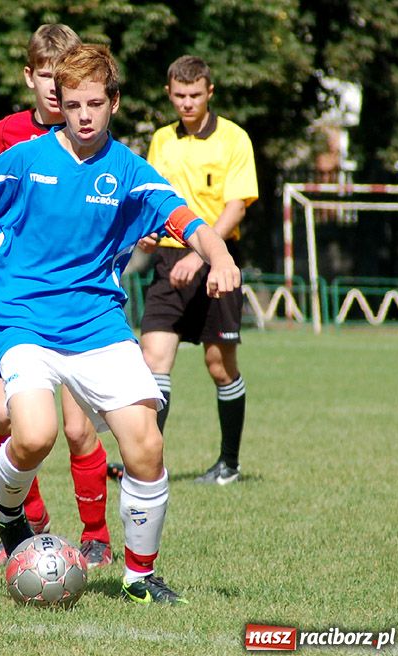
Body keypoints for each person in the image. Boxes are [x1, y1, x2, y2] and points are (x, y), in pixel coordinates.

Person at [0, 44, 241, 604]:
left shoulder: (129, 170)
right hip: (22, 317)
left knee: (145, 445)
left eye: (94, 104)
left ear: (114, 103)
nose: (83, 115)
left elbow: (189, 221)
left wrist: (220, 255)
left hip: (95, 321)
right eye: (74, 104)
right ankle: (9, 514)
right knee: (34, 435)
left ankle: (140, 577)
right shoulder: (26, 160)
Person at [0, 24, 114, 571]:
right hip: (15, 293)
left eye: (67, 80)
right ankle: (30, 530)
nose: (58, 91)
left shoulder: (91, 136)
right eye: (49, 78)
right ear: (30, 76)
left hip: (77, 298)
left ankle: (97, 535)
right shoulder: (9, 132)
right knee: (5, 415)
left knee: (78, 428)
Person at [135, 55, 258, 485]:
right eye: (180, 95)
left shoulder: (234, 139)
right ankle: (149, 465)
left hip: (217, 261)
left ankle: (229, 464)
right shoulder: (162, 141)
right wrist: (147, 233)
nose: (187, 103)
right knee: (153, 360)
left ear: (210, 93)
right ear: (169, 94)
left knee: (219, 365)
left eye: (195, 95)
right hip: (169, 260)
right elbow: (153, 200)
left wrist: (202, 253)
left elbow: (237, 205)